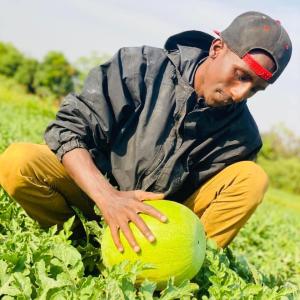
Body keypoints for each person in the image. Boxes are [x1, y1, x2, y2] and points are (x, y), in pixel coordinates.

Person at [0, 11, 292, 253]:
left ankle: (172, 271)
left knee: (252, 179)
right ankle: (79, 245)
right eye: (241, 76)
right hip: (94, 197)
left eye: (255, 88)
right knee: (18, 162)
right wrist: (109, 198)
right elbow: (68, 129)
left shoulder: (243, 137)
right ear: (217, 49)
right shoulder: (140, 67)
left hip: (156, 231)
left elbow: (208, 207)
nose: (241, 93)